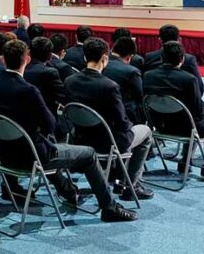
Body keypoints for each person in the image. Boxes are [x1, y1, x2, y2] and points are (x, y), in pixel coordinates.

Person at [0, 39, 137, 222]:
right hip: (34, 156)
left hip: (2, 154)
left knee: (49, 147)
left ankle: (68, 191)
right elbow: (49, 124)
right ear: (26, 59)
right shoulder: (29, 90)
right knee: (88, 154)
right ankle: (109, 206)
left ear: (3, 60)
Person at [64, 38, 153, 201]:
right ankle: (130, 185)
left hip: (81, 138)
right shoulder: (109, 86)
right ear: (105, 58)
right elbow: (121, 121)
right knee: (145, 132)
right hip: (108, 142)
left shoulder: (70, 81)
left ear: (85, 58)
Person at [143, 41, 204, 181]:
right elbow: (198, 112)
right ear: (182, 59)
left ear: (161, 58)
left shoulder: (148, 75)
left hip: (160, 125)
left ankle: (185, 161)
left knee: (191, 119)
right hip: (185, 127)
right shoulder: (188, 79)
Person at [24, 37, 67, 139]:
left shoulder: (22, 67)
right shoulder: (50, 72)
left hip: (24, 120)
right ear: (50, 55)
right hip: (46, 122)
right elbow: (62, 97)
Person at [143, 24, 204, 93]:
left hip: (154, 101)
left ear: (160, 39)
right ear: (179, 39)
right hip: (181, 101)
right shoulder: (188, 59)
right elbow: (199, 87)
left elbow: (144, 83)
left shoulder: (149, 57)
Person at [103, 36, 145, 124]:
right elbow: (140, 96)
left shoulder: (101, 64)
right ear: (130, 57)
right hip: (124, 119)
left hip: (101, 115)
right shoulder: (132, 71)